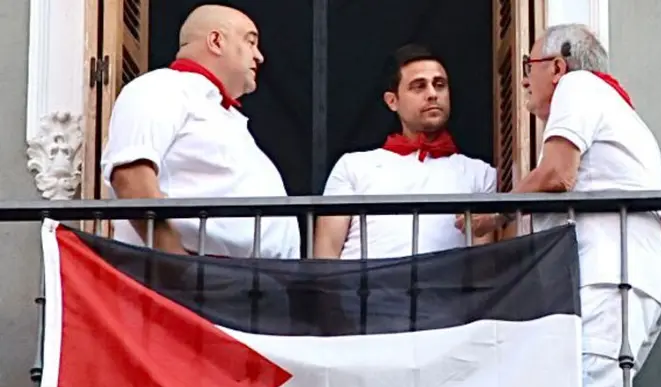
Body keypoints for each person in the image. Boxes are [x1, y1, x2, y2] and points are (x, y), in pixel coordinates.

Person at [457, 24, 661, 387]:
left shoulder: (579, 87)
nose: (522, 79)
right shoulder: (622, 113)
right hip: (629, 284)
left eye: (528, 65)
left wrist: (494, 213)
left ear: (557, 66)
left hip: (606, 281)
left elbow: (558, 174)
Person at [100, 4, 300, 259]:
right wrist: (178, 266)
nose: (259, 56)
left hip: (248, 284)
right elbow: (131, 177)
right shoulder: (162, 88)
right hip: (197, 279)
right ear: (216, 41)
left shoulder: (222, 114)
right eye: (250, 42)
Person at [313, 44, 497, 259]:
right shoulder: (353, 166)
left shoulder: (480, 173)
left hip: (443, 292)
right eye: (418, 86)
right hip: (362, 292)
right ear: (392, 101)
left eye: (440, 85)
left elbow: (483, 265)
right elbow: (325, 256)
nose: (432, 94)